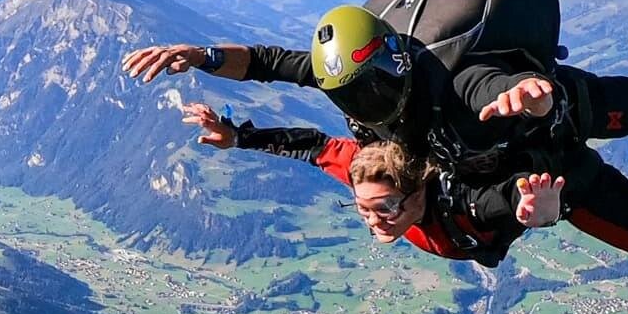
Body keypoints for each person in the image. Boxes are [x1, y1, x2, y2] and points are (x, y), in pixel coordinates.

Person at [132, 0, 628, 263]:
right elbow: (276, 72)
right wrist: (205, 65)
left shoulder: (453, 90)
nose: (375, 219)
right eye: (372, 210)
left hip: (553, 120)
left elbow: (493, 93)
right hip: (543, 171)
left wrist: (530, 97)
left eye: (381, 209)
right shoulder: (366, 125)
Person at [178, 104, 555, 266]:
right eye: (362, 209)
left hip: (540, 162)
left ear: (417, 190)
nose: (373, 220)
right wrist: (237, 137)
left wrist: (532, 210)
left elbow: (504, 197)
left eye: (386, 208)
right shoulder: (366, 175)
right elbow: (313, 146)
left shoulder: (461, 199)